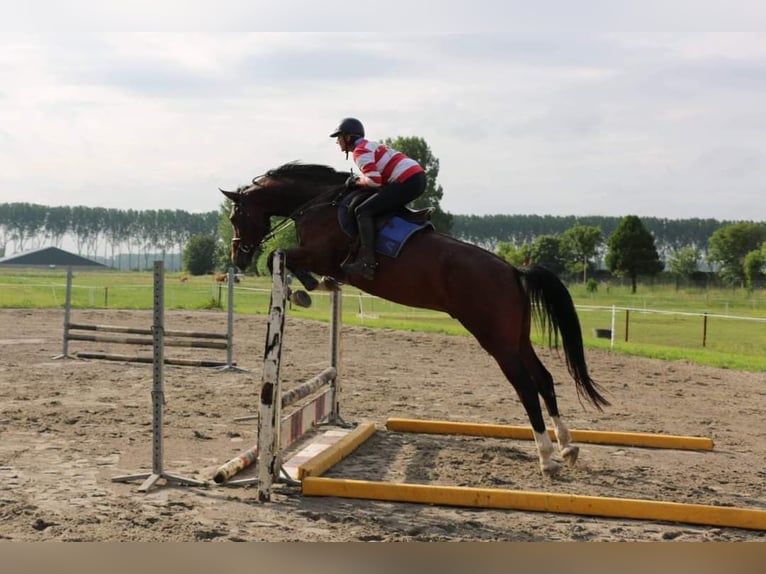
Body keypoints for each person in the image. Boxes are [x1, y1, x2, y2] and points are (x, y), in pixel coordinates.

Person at [329, 117, 427, 280]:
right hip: (415, 178)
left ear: (348, 137)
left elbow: (375, 181)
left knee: (363, 211)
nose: (338, 142)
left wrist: (356, 181)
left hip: (408, 180)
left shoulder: (360, 152)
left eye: (339, 137)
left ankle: (367, 263)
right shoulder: (368, 145)